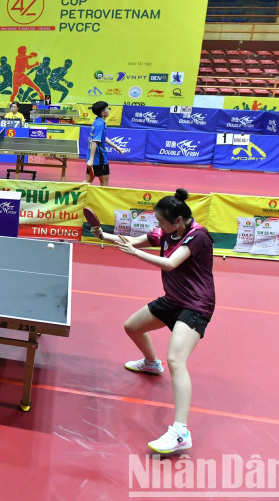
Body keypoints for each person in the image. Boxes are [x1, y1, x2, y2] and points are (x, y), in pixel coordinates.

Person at [91, 189, 214, 454]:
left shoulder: (198, 237)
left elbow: (170, 263)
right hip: (173, 299)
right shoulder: (169, 232)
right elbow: (134, 240)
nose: (159, 227)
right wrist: (104, 236)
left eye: (162, 222)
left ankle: (181, 432)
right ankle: (150, 363)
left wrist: (134, 254)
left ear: (178, 220)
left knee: (176, 361)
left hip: (196, 304)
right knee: (132, 327)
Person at [86, 100, 126, 186]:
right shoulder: (100, 124)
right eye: (107, 109)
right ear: (103, 113)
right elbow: (95, 142)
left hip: (93, 157)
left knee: (87, 182)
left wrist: (116, 147)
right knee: (104, 184)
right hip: (99, 159)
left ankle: (74, 196)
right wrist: (91, 159)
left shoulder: (97, 122)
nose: (109, 110)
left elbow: (102, 138)